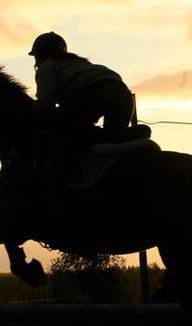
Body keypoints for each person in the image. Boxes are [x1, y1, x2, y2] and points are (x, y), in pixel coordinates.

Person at [29, 31, 133, 213]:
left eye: (36, 57)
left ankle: (55, 198)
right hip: (122, 95)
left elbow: (45, 106)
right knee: (112, 145)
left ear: (41, 55)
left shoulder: (48, 67)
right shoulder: (81, 64)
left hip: (91, 93)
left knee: (56, 140)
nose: (36, 62)